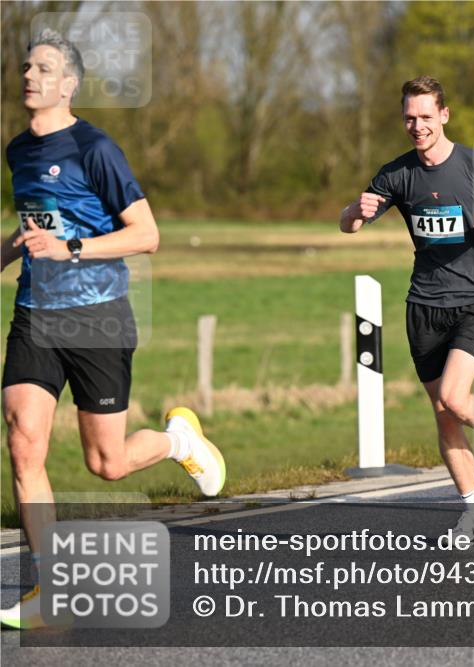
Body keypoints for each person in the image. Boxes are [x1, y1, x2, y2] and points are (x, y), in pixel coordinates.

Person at [0, 30, 225, 630]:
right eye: (26, 66)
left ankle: (179, 442)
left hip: (97, 315)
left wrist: (71, 247)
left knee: (108, 464)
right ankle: (50, 587)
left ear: (68, 86)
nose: (29, 75)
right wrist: (9, 252)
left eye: (44, 69)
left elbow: (147, 235)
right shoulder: (18, 150)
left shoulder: (96, 148)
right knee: (24, 442)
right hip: (34, 315)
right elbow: (34, 231)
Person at [340, 76, 474, 543]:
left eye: (426, 117)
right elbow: (348, 226)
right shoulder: (397, 174)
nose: (417, 126)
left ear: (444, 116)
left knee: (455, 396)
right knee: (443, 411)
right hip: (423, 305)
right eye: (410, 118)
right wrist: (356, 208)